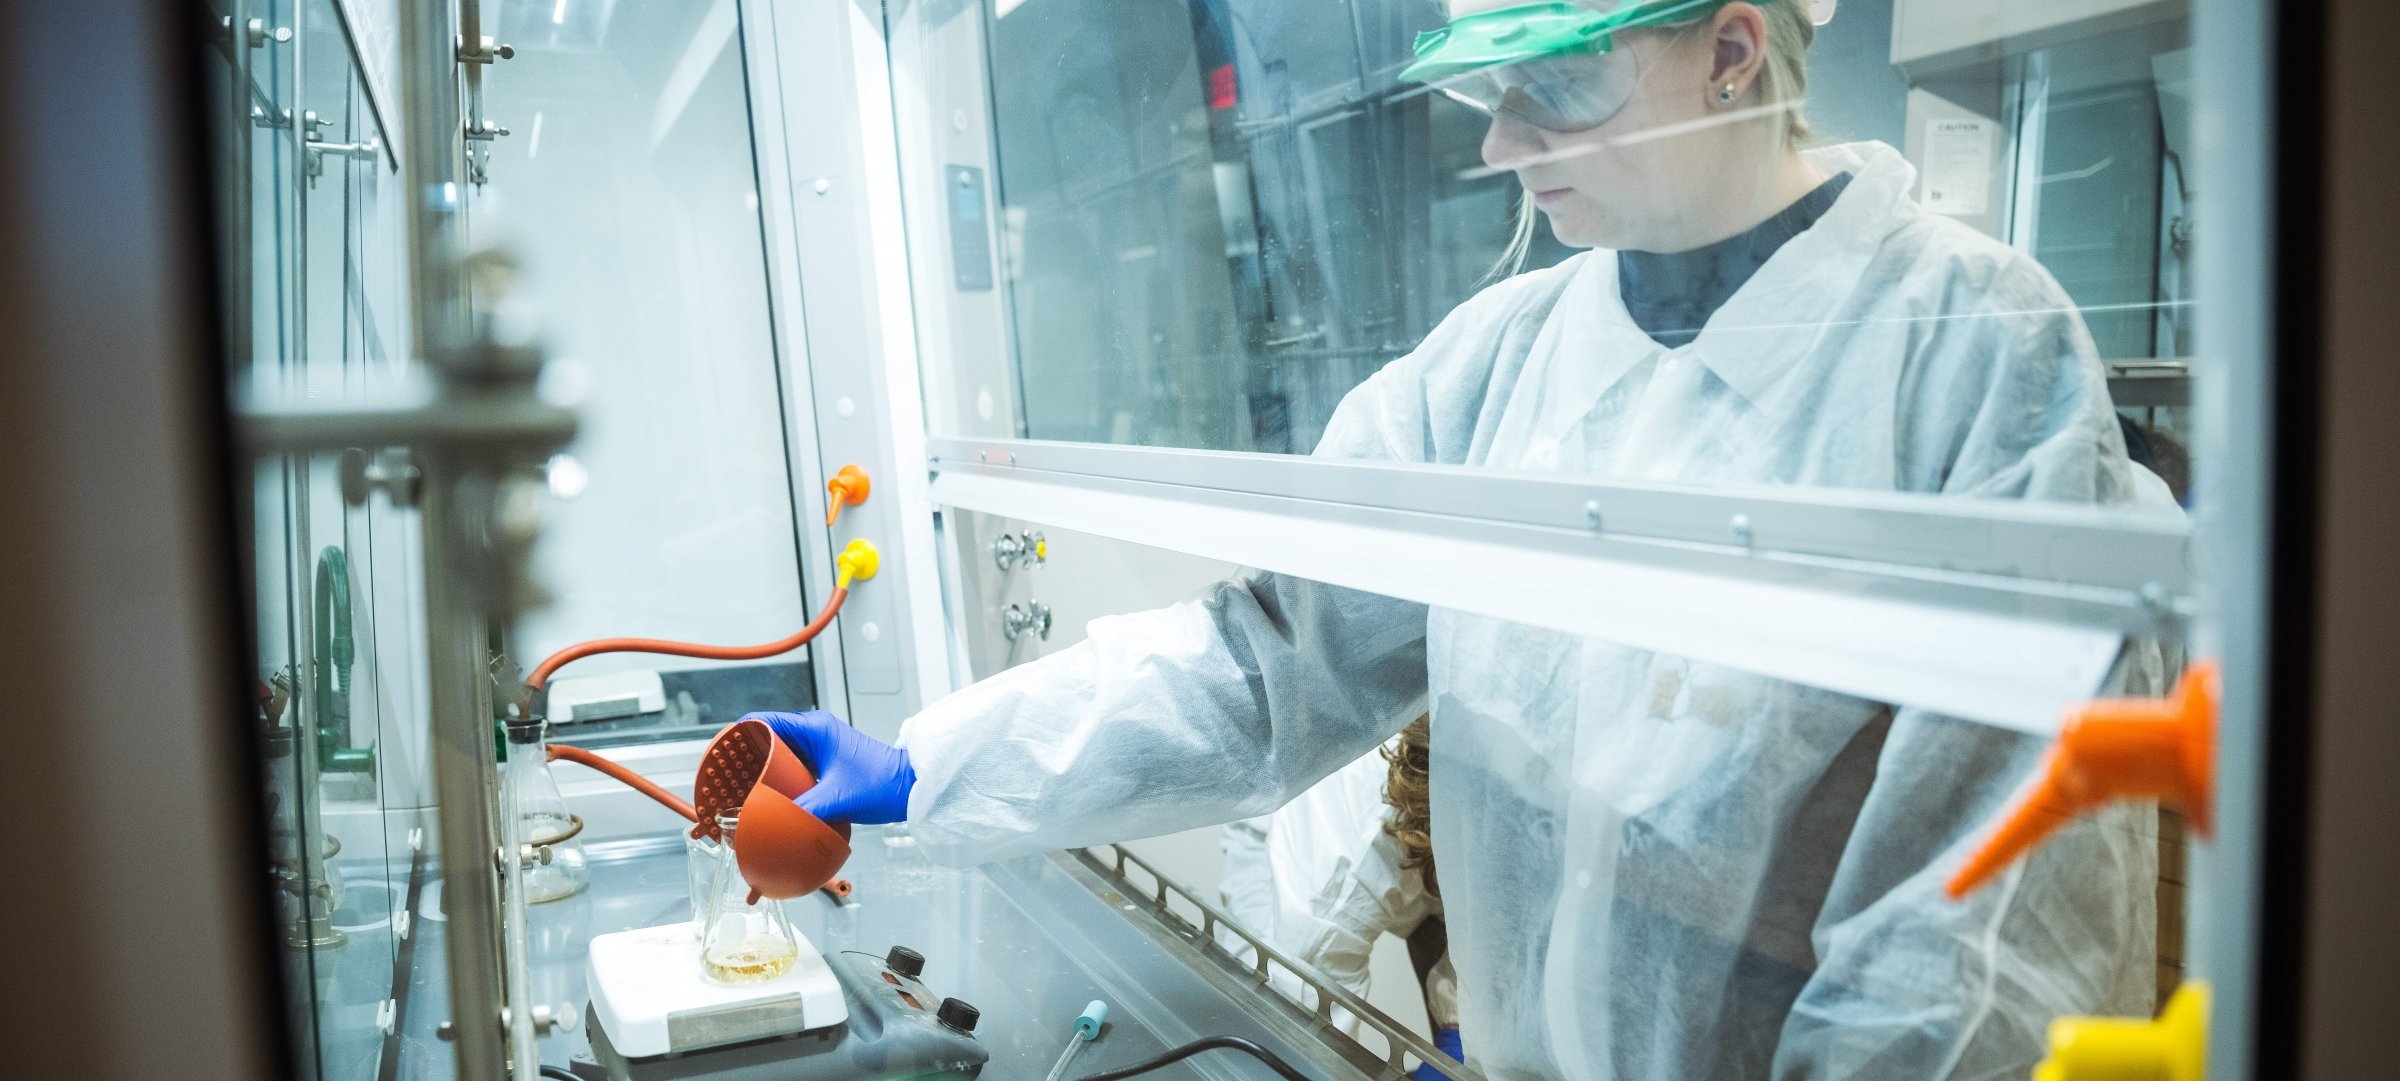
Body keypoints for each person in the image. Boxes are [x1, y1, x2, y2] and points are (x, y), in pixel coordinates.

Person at [757, 0, 2174, 1075]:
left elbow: (1970, 936)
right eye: (1492, 91)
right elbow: (1267, 661)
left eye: (1551, 85)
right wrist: (934, 760)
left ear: (1734, 50)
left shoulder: (1968, 350)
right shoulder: (1498, 361)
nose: (1501, 144)